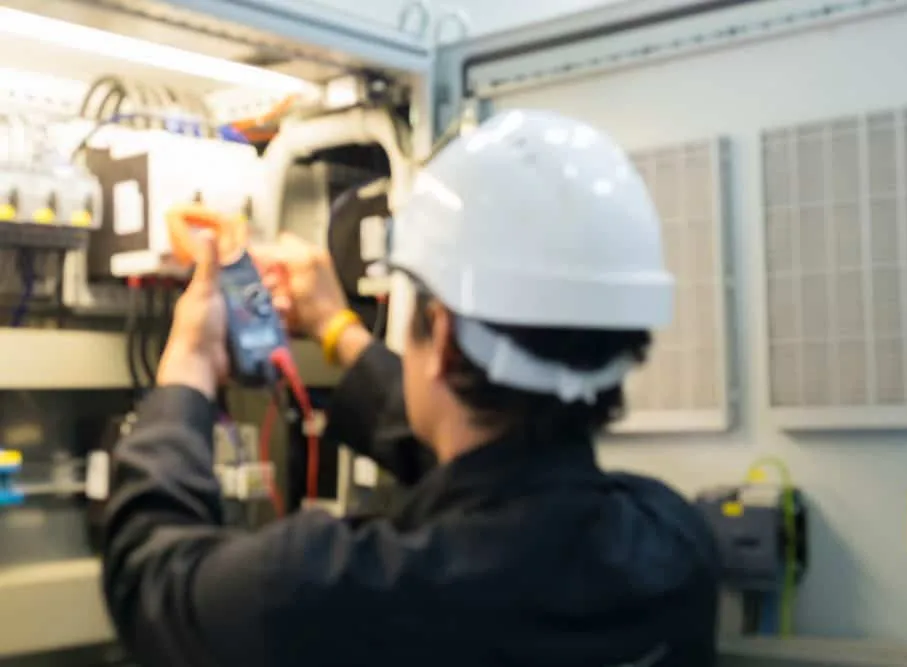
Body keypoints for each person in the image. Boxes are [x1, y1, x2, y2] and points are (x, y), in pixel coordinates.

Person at [102, 109, 721, 667]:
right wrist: (338, 329)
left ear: (442, 337)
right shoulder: (674, 544)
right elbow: (503, 482)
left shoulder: (330, 592)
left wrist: (188, 367)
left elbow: (151, 581)